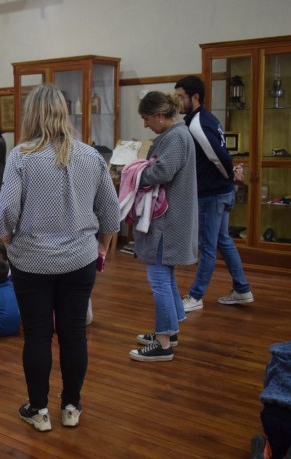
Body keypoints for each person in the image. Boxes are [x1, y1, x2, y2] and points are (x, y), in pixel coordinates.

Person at [0, 84, 120, 431]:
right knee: (73, 333)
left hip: (31, 260)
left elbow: (6, 212)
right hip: (79, 260)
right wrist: (101, 247)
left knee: (36, 335)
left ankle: (38, 410)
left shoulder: (21, 156)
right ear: (65, 113)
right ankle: (71, 406)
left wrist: (8, 244)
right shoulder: (91, 156)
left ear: (31, 114)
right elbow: (111, 211)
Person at [126, 91, 198, 362]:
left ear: (159, 115)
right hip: (172, 219)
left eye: (146, 118)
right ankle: (169, 329)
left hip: (167, 222)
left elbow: (162, 172)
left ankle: (164, 342)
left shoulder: (176, 137)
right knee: (164, 277)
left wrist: (133, 172)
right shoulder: (177, 135)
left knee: (158, 279)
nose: (146, 125)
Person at [174, 76, 254, 312]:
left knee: (208, 247)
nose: (177, 102)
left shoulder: (198, 123)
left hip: (212, 195)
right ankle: (242, 289)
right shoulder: (205, 119)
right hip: (222, 193)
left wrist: (229, 175)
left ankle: (196, 296)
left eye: (180, 97)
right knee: (223, 241)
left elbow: (218, 156)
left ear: (194, 97)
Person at [250, 341, 291, 459]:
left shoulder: (279, 353)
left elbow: (267, 382)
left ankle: (263, 454)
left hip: (270, 413)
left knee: (277, 447)